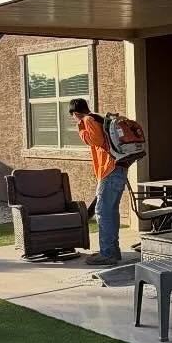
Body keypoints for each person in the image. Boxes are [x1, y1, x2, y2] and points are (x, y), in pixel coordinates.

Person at [67, 96, 129, 265]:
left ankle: (107, 253)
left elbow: (96, 140)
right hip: (118, 169)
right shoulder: (99, 119)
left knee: (102, 212)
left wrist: (81, 125)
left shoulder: (88, 120)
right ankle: (113, 251)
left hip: (109, 170)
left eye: (72, 116)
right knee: (111, 212)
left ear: (75, 113)